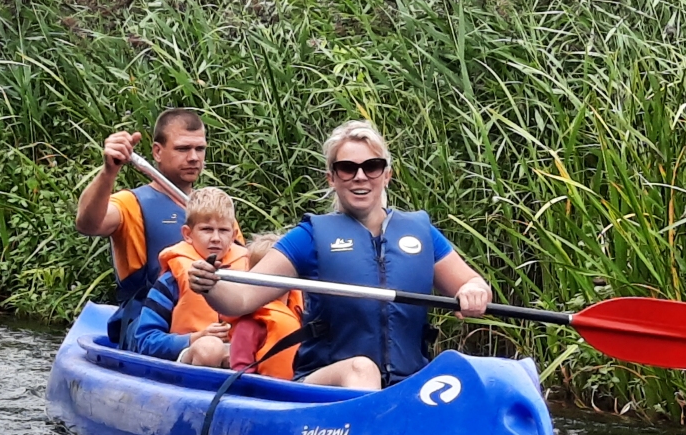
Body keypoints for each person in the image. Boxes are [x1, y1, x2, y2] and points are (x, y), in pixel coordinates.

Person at [188, 120, 492, 390]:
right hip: (326, 385)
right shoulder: (309, 238)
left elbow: (472, 283)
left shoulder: (421, 234)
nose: (360, 176)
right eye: (347, 168)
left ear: (386, 174)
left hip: (405, 389)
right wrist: (211, 285)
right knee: (362, 369)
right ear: (332, 178)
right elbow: (240, 298)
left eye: (371, 166)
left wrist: (474, 291)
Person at [75, 108, 207, 349]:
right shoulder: (130, 203)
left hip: (204, 322)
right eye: (182, 149)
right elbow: (88, 224)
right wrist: (109, 172)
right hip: (148, 326)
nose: (193, 157)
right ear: (157, 151)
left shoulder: (212, 210)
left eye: (199, 149)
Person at [132, 187, 250, 366]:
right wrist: (195, 338)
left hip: (235, 359)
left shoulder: (249, 274)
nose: (216, 238)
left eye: (223, 230)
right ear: (188, 234)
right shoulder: (170, 281)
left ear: (234, 235)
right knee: (210, 349)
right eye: (207, 229)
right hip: (188, 358)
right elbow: (145, 340)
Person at [228, 233, 305, 380]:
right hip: (265, 392)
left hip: (298, 385)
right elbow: (240, 369)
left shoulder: (302, 313)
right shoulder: (250, 324)